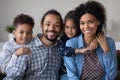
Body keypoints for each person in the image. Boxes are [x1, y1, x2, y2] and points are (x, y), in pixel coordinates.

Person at [64, 1, 118, 80]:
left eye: (90, 22)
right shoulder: (71, 44)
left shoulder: (109, 42)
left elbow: (112, 75)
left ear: (98, 21)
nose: (86, 27)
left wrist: (106, 51)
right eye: (82, 23)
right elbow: (72, 76)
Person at [4, 9, 63, 80]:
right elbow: (12, 77)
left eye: (57, 25)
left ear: (61, 28)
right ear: (41, 25)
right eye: (48, 24)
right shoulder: (26, 49)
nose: (51, 28)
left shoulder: (61, 49)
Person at [59, 10, 97, 80]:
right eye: (67, 27)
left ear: (78, 27)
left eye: (73, 28)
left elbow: (99, 33)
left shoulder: (81, 38)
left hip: (80, 71)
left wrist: (96, 40)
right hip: (65, 73)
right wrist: (78, 51)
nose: (69, 31)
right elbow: (62, 51)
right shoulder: (63, 39)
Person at [0, 14, 34, 79]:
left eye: (28, 33)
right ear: (14, 33)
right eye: (21, 32)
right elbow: (5, 70)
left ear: (32, 34)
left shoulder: (32, 41)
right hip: (4, 74)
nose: (25, 36)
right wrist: (16, 54)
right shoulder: (8, 46)